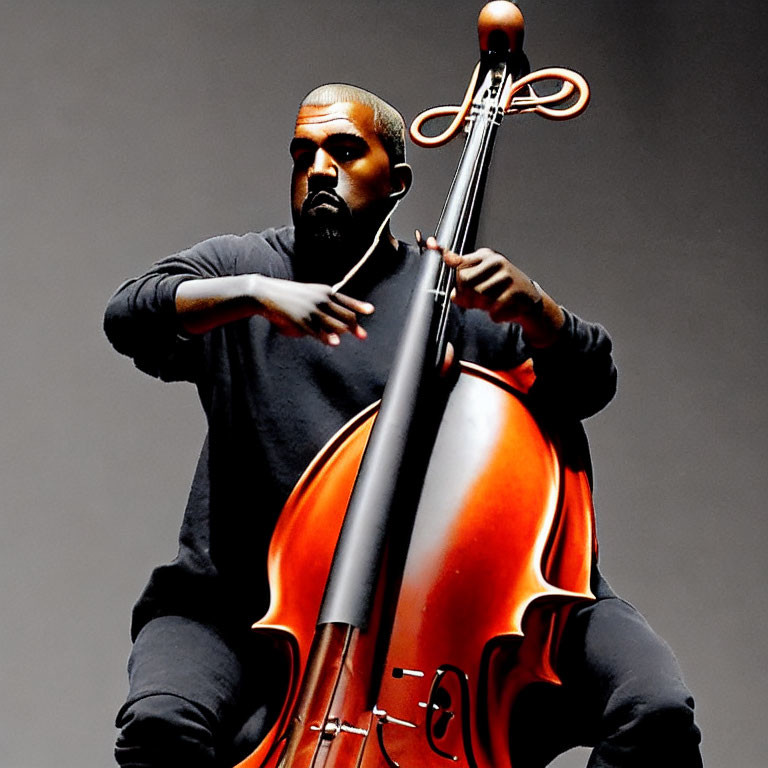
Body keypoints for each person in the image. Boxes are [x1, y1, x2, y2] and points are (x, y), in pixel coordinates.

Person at [104, 84, 702, 768]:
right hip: (238, 608)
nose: (319, 169)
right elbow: (129, 314)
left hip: (451, 616)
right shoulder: (248, 271)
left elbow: (588, 385)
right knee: (159, 726)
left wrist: (541, 315)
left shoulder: (457, 301)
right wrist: (254, 296)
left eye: (346, 151)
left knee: (655, 711)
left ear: (398, 181)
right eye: (304, 155)